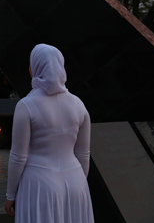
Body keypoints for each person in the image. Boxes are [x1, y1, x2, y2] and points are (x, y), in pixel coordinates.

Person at [5, 44, 92, 221]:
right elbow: (83, 154)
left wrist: (10, 195)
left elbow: (18, 157)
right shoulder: (78, 104)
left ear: (35, 67)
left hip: (39, 184)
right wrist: (80, 184)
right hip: (76, 181)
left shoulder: (26, 105)